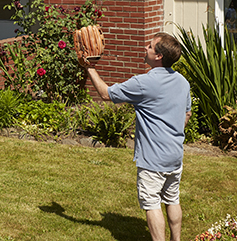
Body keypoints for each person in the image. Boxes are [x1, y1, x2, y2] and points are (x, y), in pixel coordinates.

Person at [81, 32, 191, 241]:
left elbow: (106, 94)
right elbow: (187, 114)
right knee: (172, 199)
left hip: (153, 159)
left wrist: (90, 68)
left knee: (151, 204)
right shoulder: (182, 82)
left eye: (149, 47)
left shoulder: (144, 83)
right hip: (175, 156)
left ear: (158, 56)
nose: (145, 49)